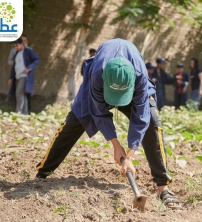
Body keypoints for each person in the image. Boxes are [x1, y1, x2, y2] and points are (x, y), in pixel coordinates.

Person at [35, 38, 181, 209]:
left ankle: (163, 187)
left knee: (153, 122)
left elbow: (141, 117)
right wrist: (116, 145)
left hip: (134, 87)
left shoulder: (139, 76)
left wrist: (129, 156)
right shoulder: (97, 75)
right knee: (74, 121)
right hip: (99, 84)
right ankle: (42, 173)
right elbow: (99, 112)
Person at [8, 38, 40, 114]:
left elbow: (37, 60)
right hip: (17, 76)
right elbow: (14, 67)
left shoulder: (28, 52)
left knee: (18, 93)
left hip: (25, 76)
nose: (16, 47)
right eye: (14, 46)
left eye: (17, 45)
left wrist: (29, 68)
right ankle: (25, 113)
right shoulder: (16, 53)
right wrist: (11, 78)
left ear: (22, 44)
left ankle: (18, 112)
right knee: (23, 95)